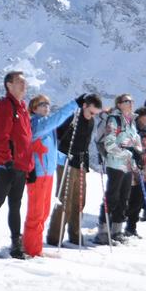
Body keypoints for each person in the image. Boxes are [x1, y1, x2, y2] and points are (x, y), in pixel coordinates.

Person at [0, 71, 32, 260]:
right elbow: (1, 136)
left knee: (15, 206)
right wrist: (7, 160)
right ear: (9, 85)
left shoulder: (23, 107)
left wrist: (29, 166)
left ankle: (16, 246)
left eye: (24, 81)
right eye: (20, 81)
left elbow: (26, 139)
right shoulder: (5, 106)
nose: (24, 84)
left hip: (20, 166)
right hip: (6, 165)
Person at [22, 94, 81, 256]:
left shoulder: (47, 127)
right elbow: (57, 119)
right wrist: (74, 104)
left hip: (48, 174)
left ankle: (32, 244)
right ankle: (31, 249)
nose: (46, 107)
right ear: (34, 108)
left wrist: (65, 158)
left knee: (44, 211)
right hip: (37, 174)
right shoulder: (36, 123)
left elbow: (50, 150)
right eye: (42, 104)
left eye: (48, 104)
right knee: (36, 212)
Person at [47, 93, 103, 247]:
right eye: (91, 112)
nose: (92, 116)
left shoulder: (90, 121)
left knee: (79, 200)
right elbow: (56, 134)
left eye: (95, 114)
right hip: (66, 161)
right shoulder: (72, 117)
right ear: (84, 105)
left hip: (81, 163)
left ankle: (75, 235)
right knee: (65, 199)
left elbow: (85, 143)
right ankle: (54, 237)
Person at [94, 94, 144, 244]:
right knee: (112, 197)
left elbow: (136, 142)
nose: (131, 103)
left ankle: (117, 231)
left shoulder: (131, 122)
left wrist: (137, 153)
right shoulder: (114, 120)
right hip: (115, 163)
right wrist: (128, 153)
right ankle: (103, 231)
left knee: (124, 198)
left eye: (131, 100)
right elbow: (109, 144)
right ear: (119, 104)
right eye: (127, 101)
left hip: (128, 165)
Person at [125, 108, 146, 236]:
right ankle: (119, 225)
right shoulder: (133, 129)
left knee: (139, 199)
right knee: (131, 198)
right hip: (132, 167)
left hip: (145, 168)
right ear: (138, 117)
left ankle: (131, 228)